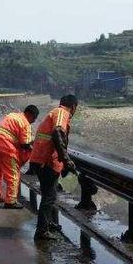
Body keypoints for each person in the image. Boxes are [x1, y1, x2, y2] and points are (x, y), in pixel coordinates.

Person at [29, 94, 78, 240]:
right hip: (47, 161)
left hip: (39, 159)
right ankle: (42, 231)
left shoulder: (54, 113)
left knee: (49, 194)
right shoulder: (62, 113)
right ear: (73, 107)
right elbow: (57, 131)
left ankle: (48, 223)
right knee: (49, 196)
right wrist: (66, 159)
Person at [0, 104, 39, 208]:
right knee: (13, 176)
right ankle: (10, 201)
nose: (33, 121)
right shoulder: (25, 123)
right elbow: (24, 144)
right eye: (34, 119)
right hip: (6, 148)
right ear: (30, 115)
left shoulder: (12, 115)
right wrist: (32, 149)